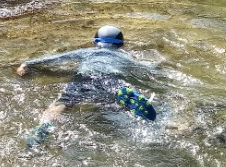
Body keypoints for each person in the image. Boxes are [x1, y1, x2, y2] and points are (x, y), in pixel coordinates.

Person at [16, 25, 160, 145]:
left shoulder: (86, 52)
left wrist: (28, 63)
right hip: (110, 78)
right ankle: (132, 107)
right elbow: (144, 69)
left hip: (84, 77)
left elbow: (57, 59)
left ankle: (44, 127)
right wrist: (157, 66)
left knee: (63, 102)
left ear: (95, 42)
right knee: (114, 99)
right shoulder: (124, 56)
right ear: (121, 44)